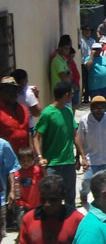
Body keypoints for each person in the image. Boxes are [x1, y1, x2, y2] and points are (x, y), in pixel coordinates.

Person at [12, 175, 83, 244]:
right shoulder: (29, 219)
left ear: (63, 196)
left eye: (52, 199)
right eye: (43, 199)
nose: (47, 204)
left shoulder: (77, 220)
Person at [33, 81, 87, 209]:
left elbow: (75, 135)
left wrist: (82, 157)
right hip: (52, 165)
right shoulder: (47, 113)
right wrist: (40, 157)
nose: (73, 96)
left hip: (68, 163)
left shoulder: (68, 112)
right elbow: (36, 137)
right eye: (72, 93)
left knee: (70, 199)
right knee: (51, 197)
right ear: (67, 95)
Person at [77, 96, 106, 207]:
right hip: (91, 158)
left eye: (102, 107)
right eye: (96, 107)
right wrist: (80, 158)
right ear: (91, 108)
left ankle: (103, 204)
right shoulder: (84, 121)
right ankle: (83, 194)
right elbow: (79, 140)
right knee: (87, 181)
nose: (99, 110)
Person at [11, 147, 44, 228]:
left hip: (35, 202)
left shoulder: (36, 171)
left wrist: (43, 167)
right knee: (22, 221)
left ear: (33, 160)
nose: (26, 163)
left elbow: (45, 178)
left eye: (28, 160)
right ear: (19, 161)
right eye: (23, 161)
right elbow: (16, 187)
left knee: (36, 222)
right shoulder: (17, 174)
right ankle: (22, 234)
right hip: (22, 202)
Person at [0, 76, 29, 154]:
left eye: (14, 89)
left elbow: (28, 133)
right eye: (8, 89)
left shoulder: (23, 109)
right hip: (5, 160)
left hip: (24, 159)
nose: (12, 92)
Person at [9, 69, 42, 134]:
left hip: (11, 126)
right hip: (26, 127)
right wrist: (36, 96)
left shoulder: (7, 93)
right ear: (24, 80)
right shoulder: (28, 93)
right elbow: (37, 113)